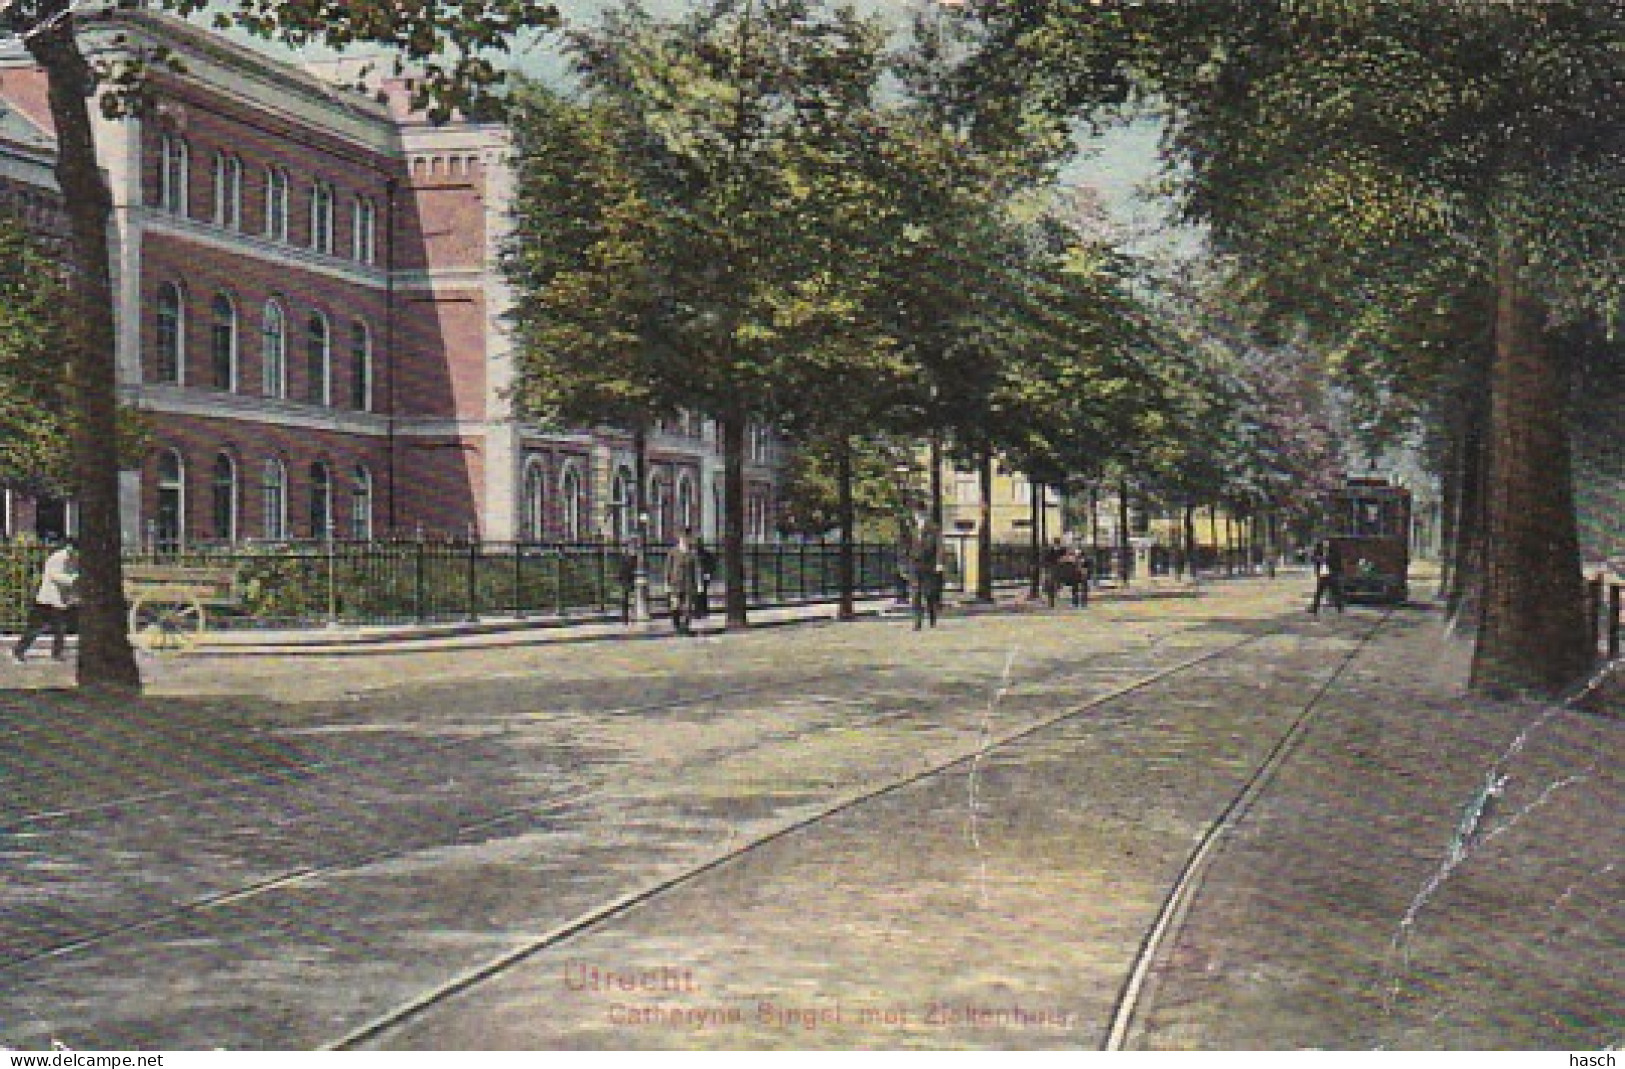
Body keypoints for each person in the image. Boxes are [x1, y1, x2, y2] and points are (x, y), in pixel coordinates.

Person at [13, 540, 78, 663]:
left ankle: (57, 653)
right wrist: (73, 579)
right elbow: (54, 575)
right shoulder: (58, 557)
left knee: (60, 628)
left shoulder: (71, 559)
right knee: (35, 628)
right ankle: (19, 650)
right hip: (47, 600)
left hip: (58, 601)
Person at [909, 513, 943, 630]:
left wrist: (939, 562)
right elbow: (905, 545)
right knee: (915, 593)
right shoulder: (911, 528)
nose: (918, 517)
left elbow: (939, 546)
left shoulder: (933, 528)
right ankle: (917, 622)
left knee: (929, 594)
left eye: (920, 514)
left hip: (929, 564)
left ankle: (932, 616)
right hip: (915, 564)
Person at [664, 529, 701, 635]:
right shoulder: (673, 552)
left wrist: (699, 584)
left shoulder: (693, 553)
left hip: (689, 584)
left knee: (688, 607)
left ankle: (685, 628)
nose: (685, 540)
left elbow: (697, 569)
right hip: (675, 583)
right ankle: (677, 626)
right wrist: (666, 583)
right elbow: (668, 568)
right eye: (683, 537)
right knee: (675, 606)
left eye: (687, 538)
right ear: (679, 538)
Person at [1308, 539, 1346, 615]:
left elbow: (1337, 561)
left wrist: (1325, 559)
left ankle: (1340, 608)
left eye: (1326, 544)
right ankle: (1314, 608)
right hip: (1322, 574)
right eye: (1324, 544)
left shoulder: (1334, 550)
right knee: (1319, 592)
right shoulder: (1319, 550)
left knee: (1335, 592)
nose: (1325, 546)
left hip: (1332, 574)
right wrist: (1318, 559)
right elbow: (1313, 558)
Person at [694, 538, 716, 619]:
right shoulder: (692, 553)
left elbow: (712, 564)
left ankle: (703, 611)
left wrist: (708, 573)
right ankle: (697, 612)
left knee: (703, 594)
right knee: (696, 595)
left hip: (703, 576)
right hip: (695, 576)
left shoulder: (706, 554)